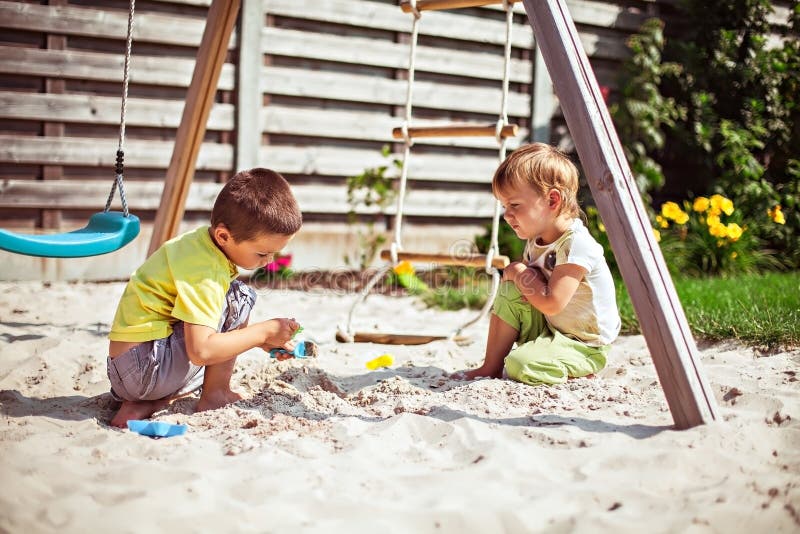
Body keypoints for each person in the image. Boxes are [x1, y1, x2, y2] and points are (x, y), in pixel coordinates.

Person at [106, 168, 303, 428]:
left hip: (127, 372)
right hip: (145, 370)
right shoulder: (207, 271)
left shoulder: (198, 245)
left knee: (226, 310)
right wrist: (263, 333)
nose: (269, 262)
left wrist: (254, 342)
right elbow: (201, 351)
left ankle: (146, 402)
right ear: (224, 236)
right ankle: (215, 395)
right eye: (262, 254)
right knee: (239, 298)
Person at [458, 143, 620, 385]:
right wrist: (520, 276)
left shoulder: (576, 245)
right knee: (511, 290)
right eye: (504, 206)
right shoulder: (537, 239)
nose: (506, 214)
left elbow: (553, 303)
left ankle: (578, 369)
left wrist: (521, 272)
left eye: (514, 205)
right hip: (551, 327)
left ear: (552, 201)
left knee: (519, 364)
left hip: (584, 344)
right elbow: (529, 288)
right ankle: (491, 365)